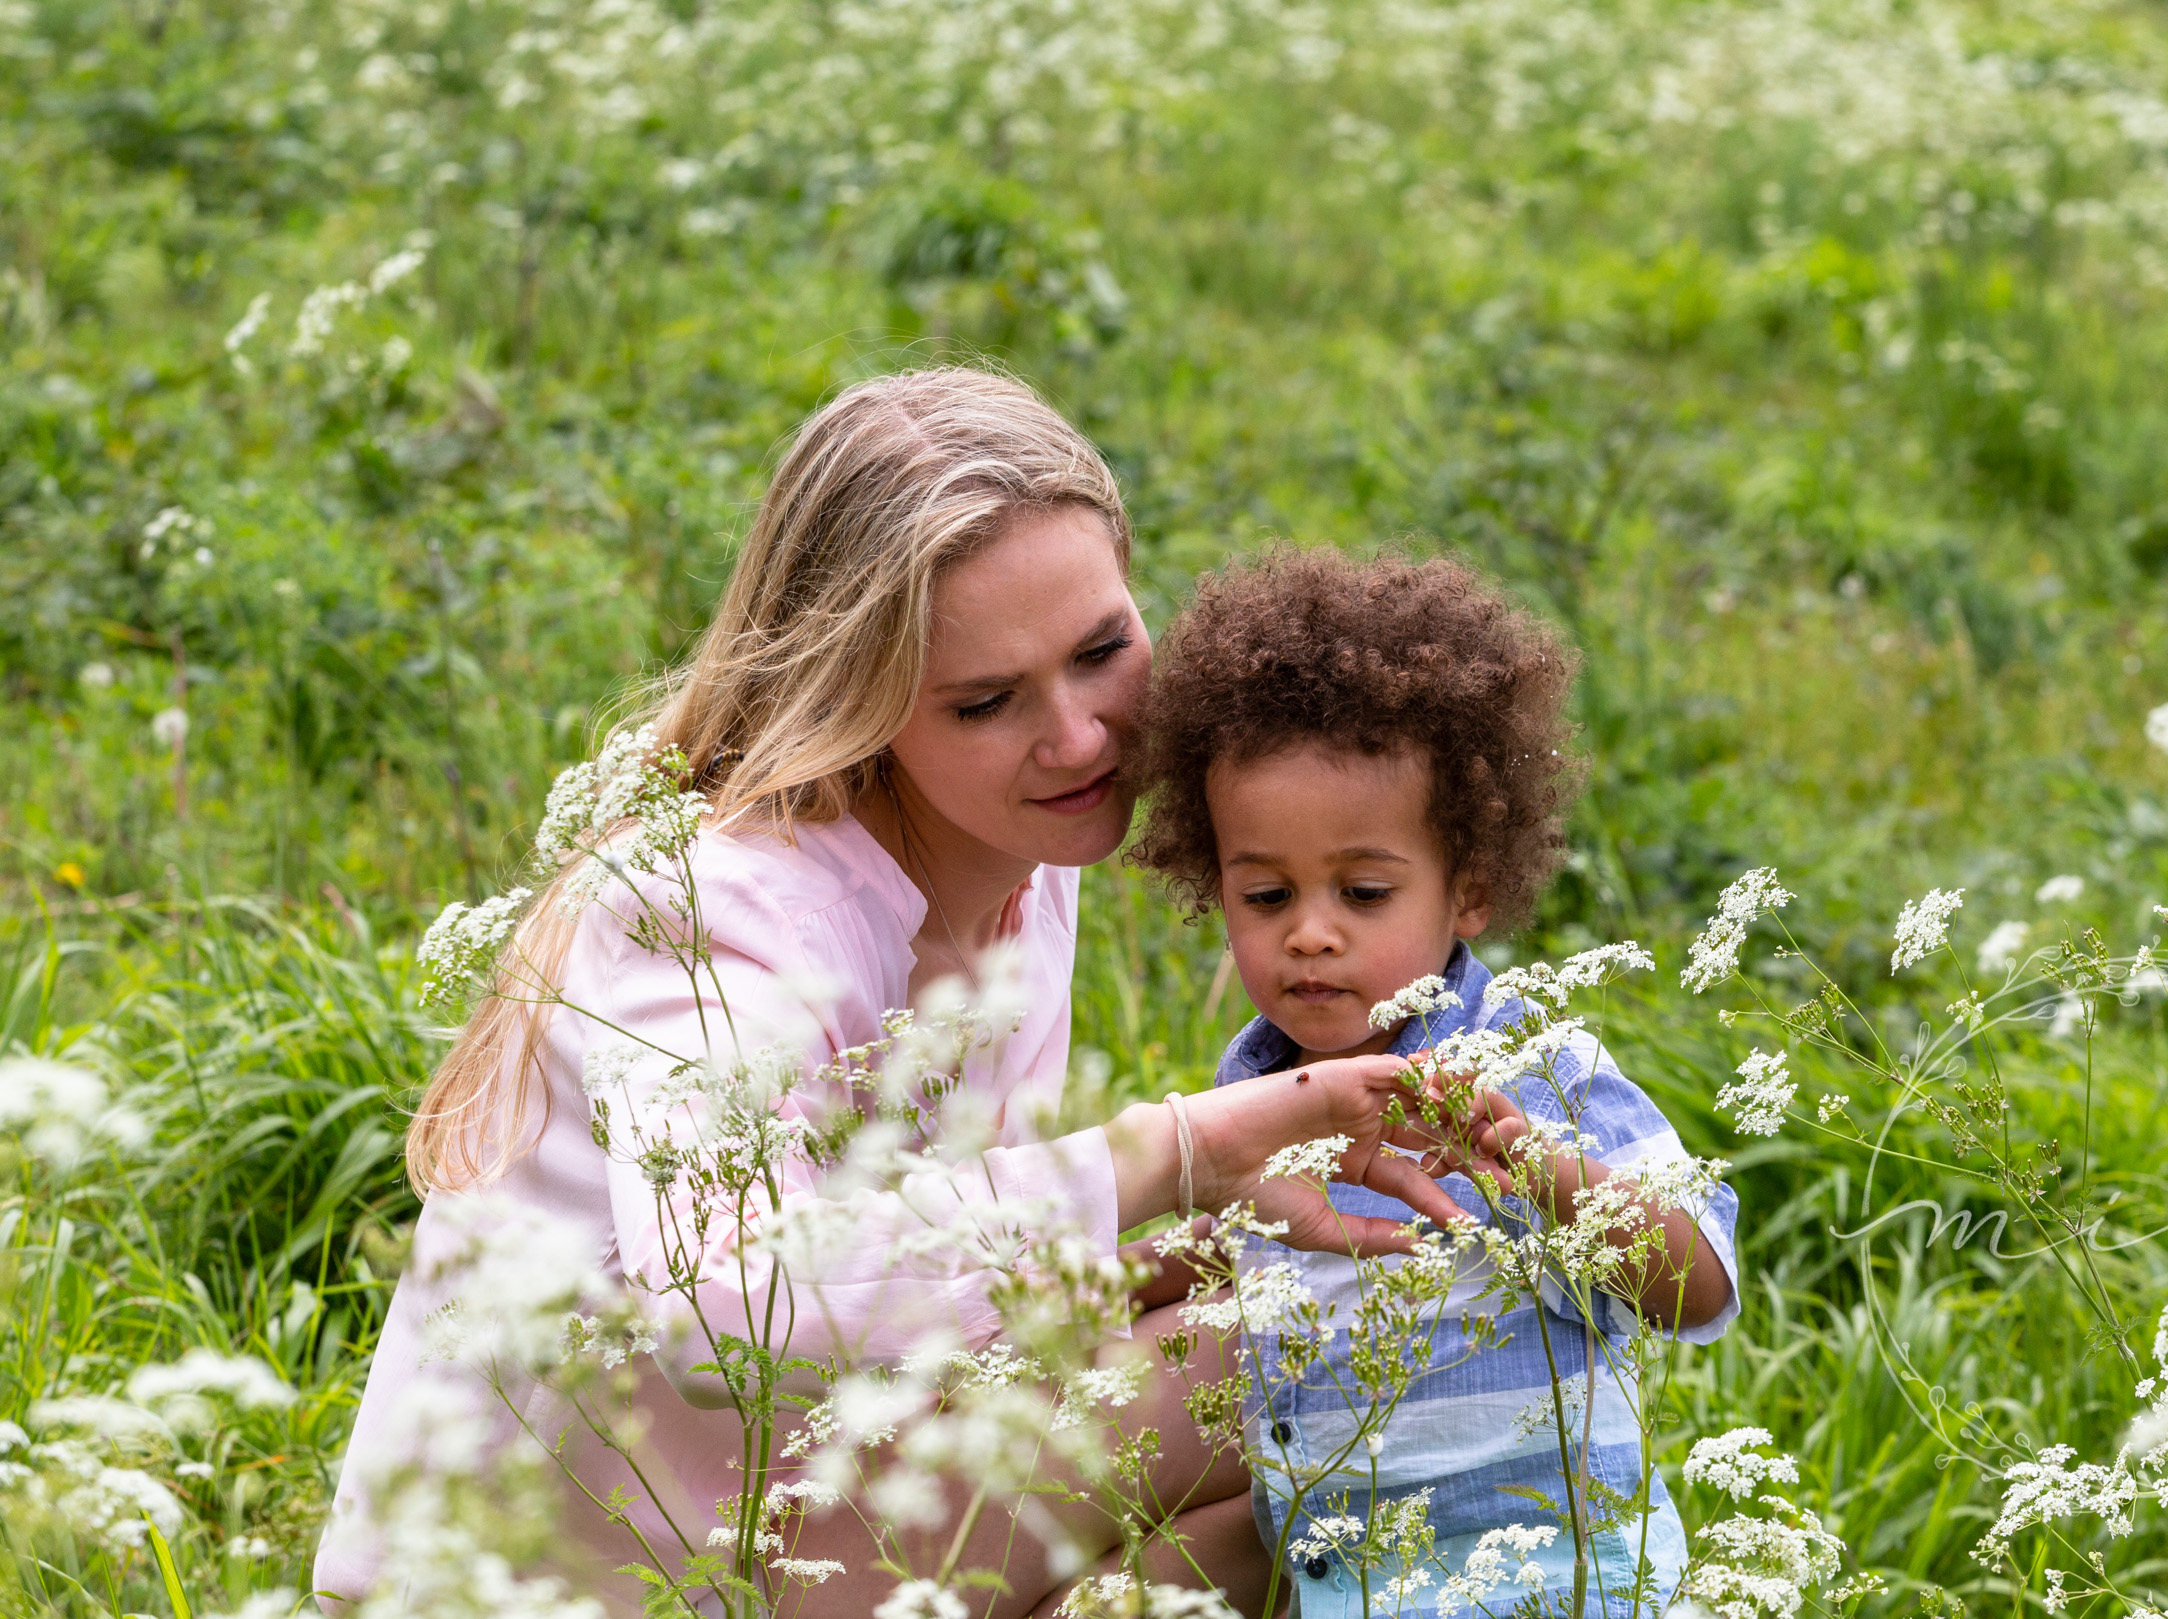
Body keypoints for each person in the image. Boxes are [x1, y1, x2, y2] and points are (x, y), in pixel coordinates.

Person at [314, 371, 1491, 1617]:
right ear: (860, 701)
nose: (1081, 738)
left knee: (1282, 1427)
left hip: (799, 1510)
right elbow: (732, 1300)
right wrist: (1177, 1150)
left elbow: (922, 1284)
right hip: (574, 1578)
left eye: (1103, 650)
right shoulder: (719, 909)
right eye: (986, 701)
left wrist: (1141, 1263)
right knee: (1296, 1355)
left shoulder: (1021, 858)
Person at [1128, 546, 1742, 1617]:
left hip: (1555, 1581)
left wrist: (1542, 1169)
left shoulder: (1526, 1064)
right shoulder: (1250, 1089)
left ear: (1467, 890)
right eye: (1264, 893)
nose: (1309, 932)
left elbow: (1701, 1285)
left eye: (1362, 891)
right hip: (1343, 1581)